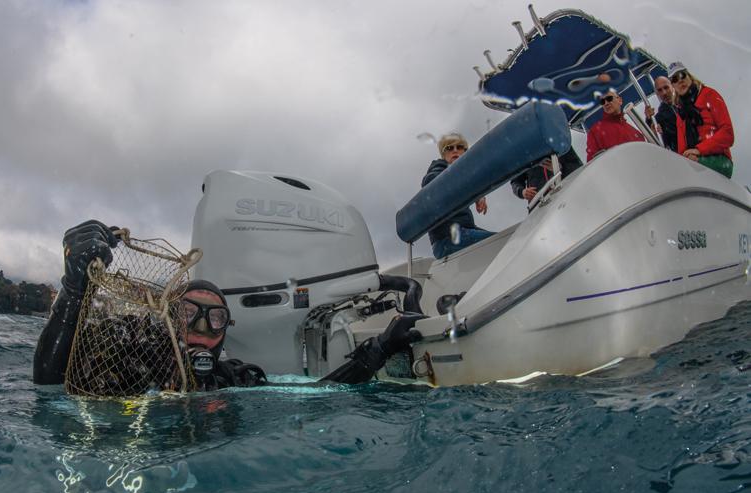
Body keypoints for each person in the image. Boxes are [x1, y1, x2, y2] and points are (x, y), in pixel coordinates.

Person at [33, 220, 425, 391]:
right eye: (189, 314)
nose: (203, 328)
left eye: (215, 318)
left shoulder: (234, 380)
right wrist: (72, 291)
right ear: (170, 317)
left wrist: (377, 352)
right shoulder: (131, 356)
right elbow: (49, 386)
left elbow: (319, 394)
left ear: (226, 330)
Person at [422, 133, 492, 258]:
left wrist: (479, 195)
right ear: (443, 155)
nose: (455, 150)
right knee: (502, 242)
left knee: (504, 238)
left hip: (463, 232)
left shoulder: (462, 176)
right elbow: (431, 181)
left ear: (465, 152)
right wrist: (475, 194)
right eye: (449, 148)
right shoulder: (438, 170)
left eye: (459, 147)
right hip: (447, 239)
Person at [668, 61, 735, 178]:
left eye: (682, 75)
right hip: (694, 162)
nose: (680, 80)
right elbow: (682, 151)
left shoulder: (710, 94)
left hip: (720, 161)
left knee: (692, 166)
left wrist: (699, 150)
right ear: (673, 86)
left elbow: (728, 134)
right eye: (674, 79)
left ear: (689, 76)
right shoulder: (681, 115)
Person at [510, 147, 583, 208]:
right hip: (540, 206)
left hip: (566, 197)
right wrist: (522, 192)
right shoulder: (522, 152)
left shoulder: (559, 141)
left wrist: (559, 168)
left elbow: (578, 167)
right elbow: (515, 181)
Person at [585, 90, 646, 162]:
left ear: (620, 100)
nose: (606, 103)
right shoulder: (595, 131)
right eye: (602, 102)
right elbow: (592, 163)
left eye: (609, 99)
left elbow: (645, 154)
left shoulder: (636, 132)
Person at [644, 76, 678, 152]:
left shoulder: (687, 103)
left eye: (666, 87)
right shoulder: (658, 119)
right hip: (684, 156)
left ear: (672, 86)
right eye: (660, 90)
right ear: (657, 93)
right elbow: (658, 144)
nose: (664, 93)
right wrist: (649, 120)